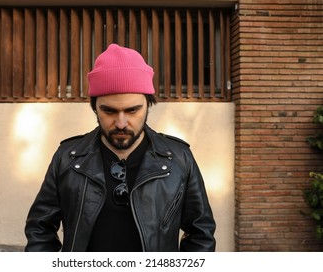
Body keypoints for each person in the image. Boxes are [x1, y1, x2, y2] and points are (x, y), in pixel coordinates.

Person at [24, 44, 216, 252]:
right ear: (95, 108)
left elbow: (200, 232)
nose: (121, 123)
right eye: (109, 111)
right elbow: (40, 229)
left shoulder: (179, 158)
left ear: (148, 105)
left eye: (132, 110)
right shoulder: (67, 157)